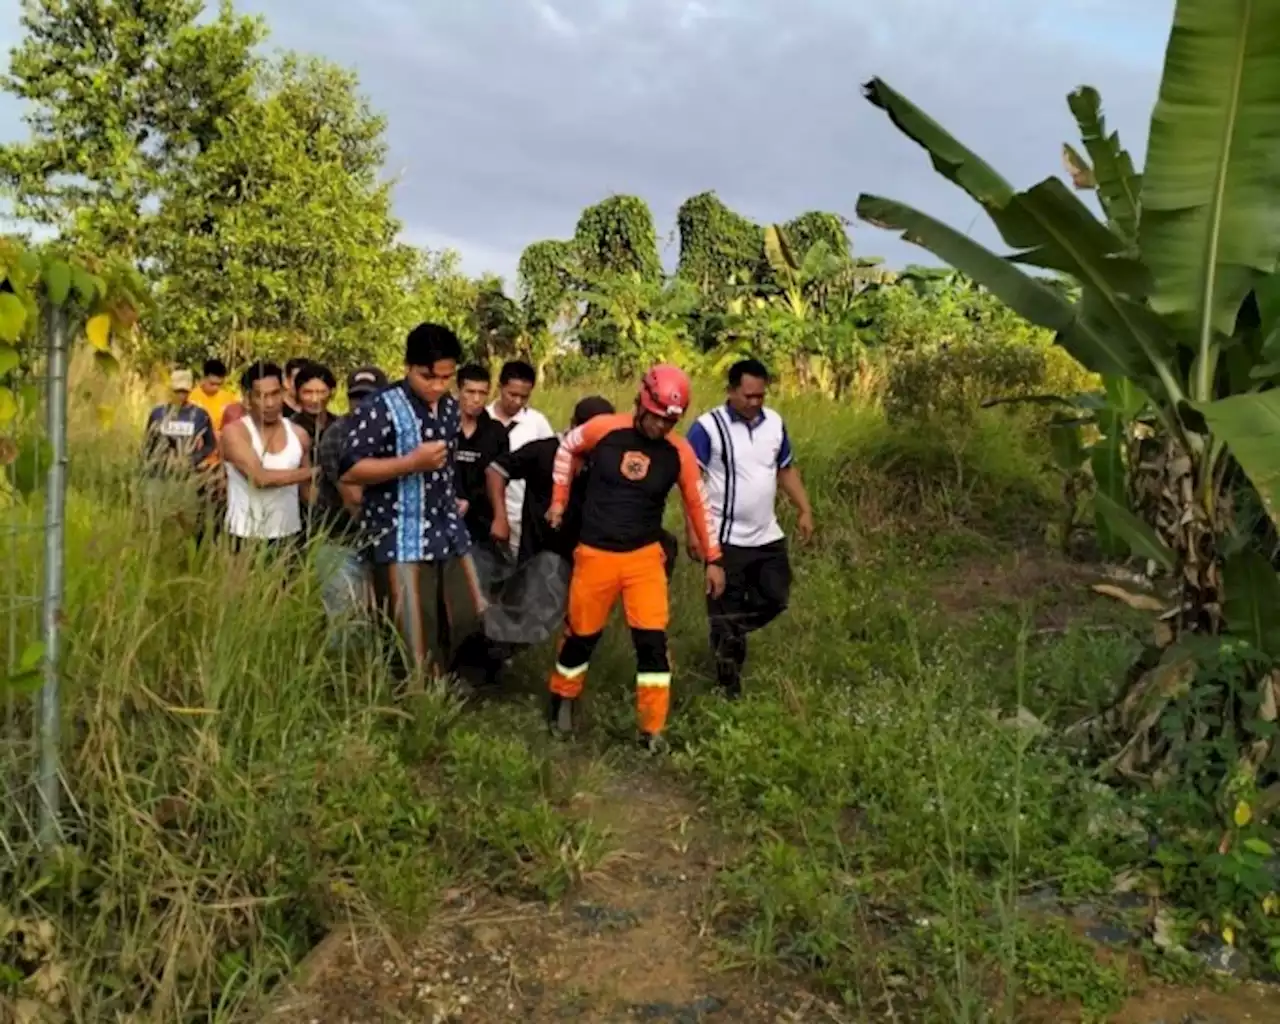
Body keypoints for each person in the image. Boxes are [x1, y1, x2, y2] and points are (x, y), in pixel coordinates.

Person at [544, 365, 724, 751]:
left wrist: (714, 557)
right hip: (595, 555)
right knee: (581, 638)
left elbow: (698, 502)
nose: (661, 427)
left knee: (652, 643)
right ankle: (562, 701)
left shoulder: (679, 452)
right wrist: (559, 501)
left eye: (669, 421)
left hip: (644, 558)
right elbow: (565, 447)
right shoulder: (604, 429)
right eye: (657, 418)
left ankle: (652, 728)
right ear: (642, 403)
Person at [339, 324, 486, 683]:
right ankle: (417, 706)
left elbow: (445, 467)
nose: (437, 386)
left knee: (467, 612)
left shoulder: (450, 408)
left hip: (446, 531)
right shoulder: (380, 409)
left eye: (446, 378)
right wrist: (409, 464)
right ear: (407, 366)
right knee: (412, 630)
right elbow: (350, 470)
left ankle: (452, 682)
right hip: (398, 535)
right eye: (428, 377)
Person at [686, 358, 815, 698]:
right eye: (748, 395)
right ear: (730, 391)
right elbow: (690, 483)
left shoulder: (774, 423)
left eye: (761, 395)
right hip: (724, 540)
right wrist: (694, 533)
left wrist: (805, 509)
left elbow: (785, 469)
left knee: (776, 596)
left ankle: (731, 630)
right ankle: (728, 688)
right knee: (724, 606)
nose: (755, 402)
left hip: (766, 534)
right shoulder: (707, 428)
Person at [481, 395, 615, 650]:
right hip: (539, 556)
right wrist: (500, 517)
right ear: (574, 425)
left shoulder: (603, 461)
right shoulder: (544, 450)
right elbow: (496, 470)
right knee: (521, 626)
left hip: (582, 557)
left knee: (576, 628)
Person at [314, 365, 389, 645]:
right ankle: (340, 683)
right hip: (342, 540)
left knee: (385, 623)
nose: (363, 405)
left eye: (371, 398)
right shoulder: (336, 435)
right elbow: (354, 499)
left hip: (384, 541)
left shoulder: (396, 433)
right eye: (357, 398)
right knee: (346, 623)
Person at [220, 361, 315, 554]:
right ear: (247, 398)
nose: (270, 403)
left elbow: (308, 493)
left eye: (275, 394)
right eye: (261, 396)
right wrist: (315, 471)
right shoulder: (235, 432)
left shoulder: (299, 435)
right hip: (244, 537)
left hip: (289, 536)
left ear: (283, 393)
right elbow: (259, 478)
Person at [486, 360, 553, 560]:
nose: (516, 402)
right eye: (512, 394)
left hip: (523, 514)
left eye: (523, 397)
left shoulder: (537, 423)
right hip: (487, 514)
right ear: (500, 387)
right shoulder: (484, 419)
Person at [453, 363, 510, 586]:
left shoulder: (496, 432)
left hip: (481, 524)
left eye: (482, 393)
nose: (476, 399)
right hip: (444, 520)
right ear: (458, 391)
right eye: (470, 392)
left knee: (479, 585)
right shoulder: (441, 427)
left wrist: (498, 516)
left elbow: (499, 477)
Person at [141, 369, 216, 493]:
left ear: (190, 390)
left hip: (186, 476)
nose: (181, 395)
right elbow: (148, 444)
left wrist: (193, 460)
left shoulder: (200, 415)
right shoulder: (158, 413)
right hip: (159, 475)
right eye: (177, 391)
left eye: (184, 391)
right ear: (171, 390)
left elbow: (210, 444)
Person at [292, 362, 337, 447]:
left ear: (331, 393)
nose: (315, 399)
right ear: (297, 393)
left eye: (321, 392)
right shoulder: (289, 429)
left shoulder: (341, 427)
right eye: (307, 392)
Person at [188, 358, 236, 436]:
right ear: (204, 378)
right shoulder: (191, 397)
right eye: (212, 384)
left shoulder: (229, 399)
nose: (216, 388)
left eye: (219, 384)